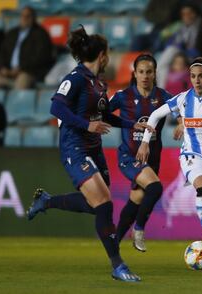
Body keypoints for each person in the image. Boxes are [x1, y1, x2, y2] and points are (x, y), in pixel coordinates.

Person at [26, 27, 145, 282]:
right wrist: (86, 125)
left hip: (94, 148)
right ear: (102, 55)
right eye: (108, 54)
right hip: (75, 148)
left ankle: (46, 201)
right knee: (104, 204)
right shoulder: (76, 78)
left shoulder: (99, 83)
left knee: (97, 206)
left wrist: (130, 124)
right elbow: (56, 106)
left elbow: (102, 116)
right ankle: (118, 266)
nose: (109, 58)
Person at [136, 57, 202, 260]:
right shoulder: (183, 98)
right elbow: (155, 115)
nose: (196, 80)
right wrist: (145, 142)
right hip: (192, 155)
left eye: (201, 76)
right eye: (193, 76)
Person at [110, 54, 182, 252]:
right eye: (141, 72)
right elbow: (103, 114)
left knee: (136, 199)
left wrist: (182, 122)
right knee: (155, 188)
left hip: (152, 159)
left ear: (154, 73)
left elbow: (182, 109)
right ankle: (139, 229)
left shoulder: (163, 96)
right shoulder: (122, 96)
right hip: (129, 156)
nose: (145, 76)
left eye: (149, 72)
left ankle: (113, 245)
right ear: (134, 73)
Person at [0, 6, 54, 89]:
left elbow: (40, 58)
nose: (25, 18)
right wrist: (2, 68)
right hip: (7, 72)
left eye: (28, 16)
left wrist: (21, 69)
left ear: (33, 18)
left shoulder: (41, 34)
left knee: (22, 80)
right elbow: (2, 53)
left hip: (28, 72)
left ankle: (18, 102)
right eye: (22, 16)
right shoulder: (12, 33)